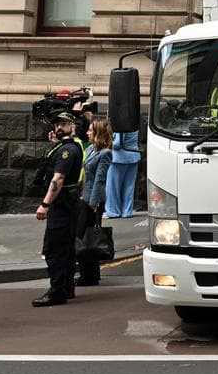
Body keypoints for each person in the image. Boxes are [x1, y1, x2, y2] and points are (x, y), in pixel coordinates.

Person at [33, 111, 85, 307]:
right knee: (67, 248)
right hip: (70, 203)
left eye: (63, 124)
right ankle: (67, 287)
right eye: (56, 125)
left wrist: (45, 204)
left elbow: (59, 179)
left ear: (73, 126)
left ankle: (56, 292)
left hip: (62, 205)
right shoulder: (72, 146)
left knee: (54, 250)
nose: (58, 127)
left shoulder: (67, 151)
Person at [78, 117, 113, 287]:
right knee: (85, 235)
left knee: (88, 237)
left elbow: (99, 179)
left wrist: (93, 203)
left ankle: (89, 276)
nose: (87, 133)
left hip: (94, 200)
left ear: (98, 133)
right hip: (85, 197)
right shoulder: (91, 148)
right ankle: (90, 274)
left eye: (90, 130)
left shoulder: (105, 153)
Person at [105, 129, 140, 219]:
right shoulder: (134, 124)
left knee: (113, 187)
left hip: (119, 158)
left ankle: (113, 211)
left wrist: (104, 143)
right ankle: (127, 211)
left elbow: (117, 144)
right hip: (134, 156)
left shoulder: (121, 125)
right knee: (129, 187)